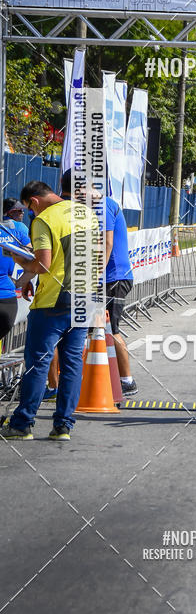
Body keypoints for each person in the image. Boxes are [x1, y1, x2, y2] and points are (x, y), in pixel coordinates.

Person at [0, 181, 99, 441]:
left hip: (54, 302)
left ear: (34, 202)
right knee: (72, 364)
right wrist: (27, 279)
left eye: (30, 209)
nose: (31, 214)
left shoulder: (44, 220)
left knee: (38, 364)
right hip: (84, 298)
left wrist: (18, 259)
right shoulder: (86, 213)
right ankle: (63, 426)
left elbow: (43, 265)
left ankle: (22, 424)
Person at [60, 170, 137, 396]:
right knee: (95, 329)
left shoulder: (102, 206)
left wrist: (93, 278)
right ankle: (102, 377)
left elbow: (107, 244)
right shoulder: (93, 206)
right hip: (106, 277)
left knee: (111, 329)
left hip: (112, 278)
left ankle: (126, 380)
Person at [0, 206, 32, 346]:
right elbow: (32, 256)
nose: (22, 214)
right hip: (7, 298)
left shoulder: (18, 228)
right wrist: (23, 280)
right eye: (19, 211)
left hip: (6, 296)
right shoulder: (18, 228)